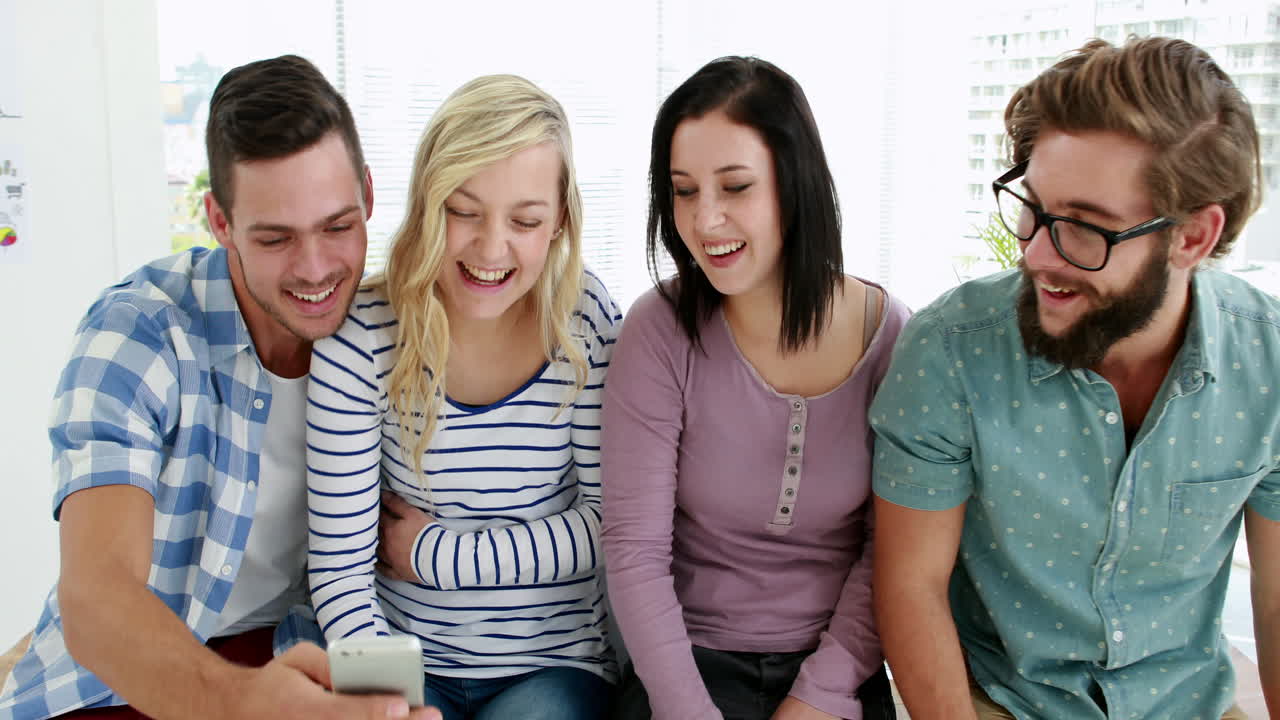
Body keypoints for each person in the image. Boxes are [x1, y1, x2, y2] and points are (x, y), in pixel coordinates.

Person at [0, 55, 439, 720]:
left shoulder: (395, 339)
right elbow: (95, 596)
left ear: (369, 196)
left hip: (299, 651)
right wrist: (239, 702)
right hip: (124, 681)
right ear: (219, 220)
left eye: (337, 226)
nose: (315, 269)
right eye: (275, 238)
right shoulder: (139, 333)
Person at [870, 36, 1279, 720]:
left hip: (1185, 702)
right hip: (1001, 697)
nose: (1036, 254)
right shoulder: (951, 350)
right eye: (1033, 208)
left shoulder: (1269, 363)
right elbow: (911, 586)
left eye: (1086, 228)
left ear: (1192, 238)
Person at [305, 74, 620, 720]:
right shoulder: (363, 334)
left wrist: (437, 556)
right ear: (427, 203)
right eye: (463, 211)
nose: (491, 247)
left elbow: (608, 525)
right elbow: (340, 573)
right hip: (404, 659)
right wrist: (392, 703)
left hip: (553, 666)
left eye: (525, 221)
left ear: (559, 222)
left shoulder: (584, 320)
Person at [602, 56, 904, 720]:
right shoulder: (657, 331)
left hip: (835, 670)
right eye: (684, 191)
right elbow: (634, 551)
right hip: (688, 667)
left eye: (735, 187)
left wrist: (819, 696)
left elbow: (889, 555)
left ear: (795, 184)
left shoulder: (893, 340)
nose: (705, 220)